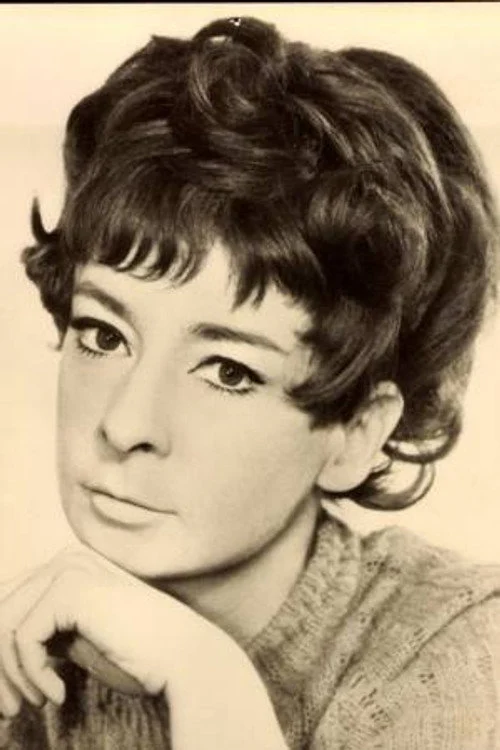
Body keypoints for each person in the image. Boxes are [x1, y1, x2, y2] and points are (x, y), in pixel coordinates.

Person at [0, 14, 499, 750]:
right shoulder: (39, 663)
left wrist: (208, 680)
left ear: (356, 434)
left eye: (229, 372)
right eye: (104, 335)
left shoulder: (463, 655)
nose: (125, 425)